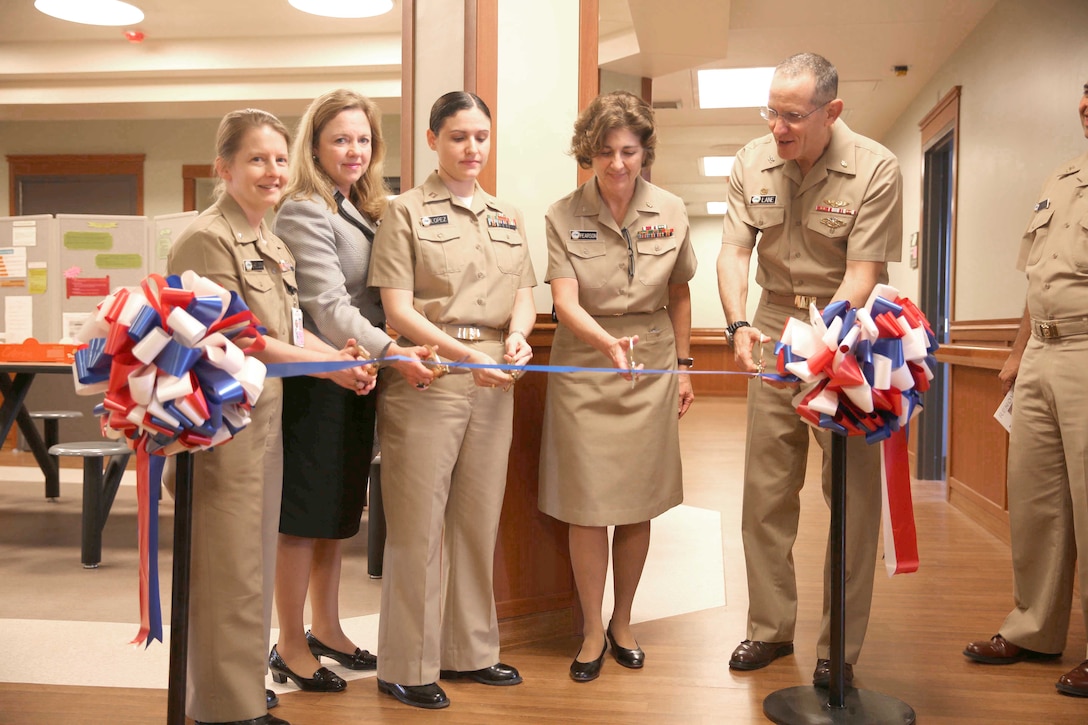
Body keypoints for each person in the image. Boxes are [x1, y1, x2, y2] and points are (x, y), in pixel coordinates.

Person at [167, 109, 373, 725]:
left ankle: (240, 696)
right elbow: (241, 339)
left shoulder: (270, 240)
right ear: (223, 168)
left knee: (251, 569)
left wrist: (333, 355)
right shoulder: (207, 237)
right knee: (226, 573)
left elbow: (288, 328)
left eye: (280, 159)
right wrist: (325, 366)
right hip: (219, 431)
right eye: (257, 159)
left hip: (264, 426)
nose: (272, 170)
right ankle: (224, 710)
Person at [716, 52, 903, 687]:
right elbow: (735, 248)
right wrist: (739, 324)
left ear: (832, 111)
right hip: (772, 324)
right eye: (772, 112)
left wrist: (822, 344)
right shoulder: (752, 159)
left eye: (793, 115)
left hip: (846, 332)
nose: (779, 127)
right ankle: (769, 627)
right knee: (766, 490)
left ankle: (839, 647)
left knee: (849, 498)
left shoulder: (876, 167)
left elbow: (863, 273)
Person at [367, 91, 537, 709]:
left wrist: (517, 335)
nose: (473, 149)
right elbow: (397, 310)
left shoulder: (507, 215)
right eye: (460, 137)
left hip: (497, 379)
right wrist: (469, 358)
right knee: (417, 525)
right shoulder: (404, 212)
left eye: (482, 138)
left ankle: (470, 651)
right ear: (434, 139)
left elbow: (524, 289)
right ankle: (405, 664)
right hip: (431, 374)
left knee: (476, 520)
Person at [268, 90, 431, 694]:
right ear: (314, 145)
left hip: (357, 376)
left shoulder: (359, 205)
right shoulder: (305, 208)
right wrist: (394, 351)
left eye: (362, 139)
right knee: (303, 519)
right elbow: (329, 307)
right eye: (340, 139)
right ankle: (288, 642)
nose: (354, 150)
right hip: (319, 376)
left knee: (338, 513)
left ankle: (326, 627)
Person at [538, 90, 696, 683]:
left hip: (650, 362)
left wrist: (683, 365)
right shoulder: (561, 214)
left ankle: (622, 621)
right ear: (588, 153)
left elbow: (678, 293)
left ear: (644, 151)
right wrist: (604, 342)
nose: (618, 164)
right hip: (584, 363)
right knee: (586, 506)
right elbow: (562, 299)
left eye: (629, 151)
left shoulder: (673, 210)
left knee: (636, 503)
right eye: (605, 152)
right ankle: (588, 628)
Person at [963, 80, 1088, 698]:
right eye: (1085, 93)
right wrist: (1018, 349)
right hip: (1042, 348)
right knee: (1037, 499)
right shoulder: (1062, 178)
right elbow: (1038, 276)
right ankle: (1035, 628)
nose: (1086, 105)